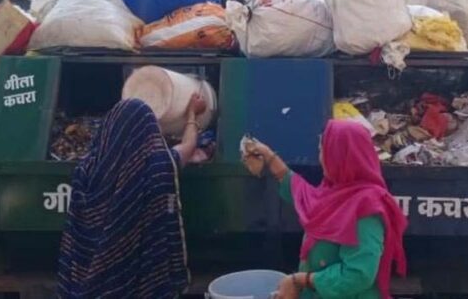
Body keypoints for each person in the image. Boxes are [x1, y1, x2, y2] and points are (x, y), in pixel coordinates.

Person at [57, 95, 206, 299]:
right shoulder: (156, 168)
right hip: (138, 285)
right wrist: (191, 115)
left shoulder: (85, 169)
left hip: (87, 284)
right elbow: (188, 146)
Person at [242, 120, 408, 299]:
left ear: (338, 156)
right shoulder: (335, 191)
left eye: (323, 151)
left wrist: (300, 280)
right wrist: (268, 156)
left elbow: (358, 275)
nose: (320, 158)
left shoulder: (367, 208)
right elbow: (303, 195)